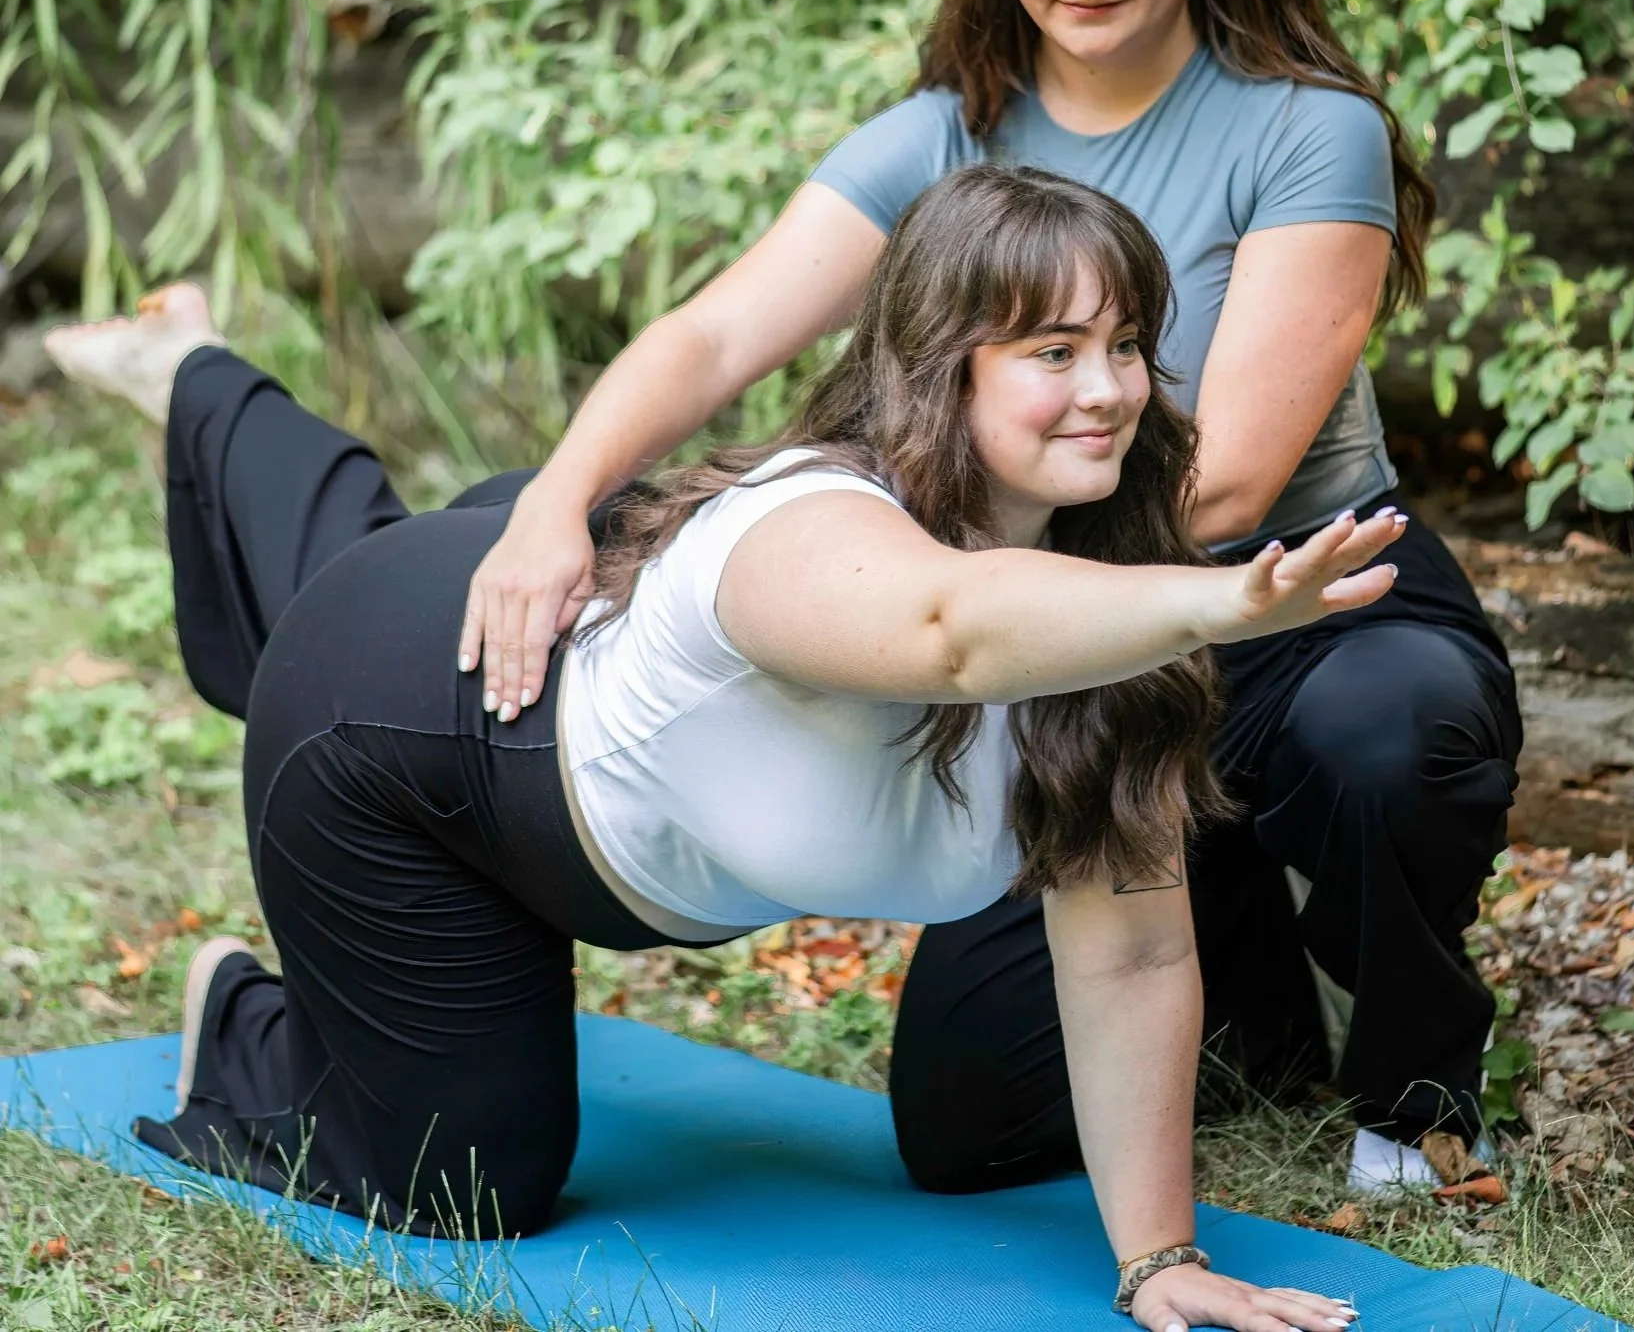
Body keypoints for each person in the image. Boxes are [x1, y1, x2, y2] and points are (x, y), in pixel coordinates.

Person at [44, 165, 1390, 1332]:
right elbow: (947, 630)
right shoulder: (814, 524)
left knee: (357, 549)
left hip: (569, 690)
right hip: (405, 749)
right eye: (1051, 351)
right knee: (466, 1183)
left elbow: (1133, 948)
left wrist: (1158, 1257)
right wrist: (1222, 599)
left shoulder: (1101, 618)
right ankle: (246, 1016)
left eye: (1125, 344)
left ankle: (187, 369)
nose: (1106, 390)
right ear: (941, 365)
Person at [457, 0, 1522, 1190]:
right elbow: (712, 340)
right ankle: (1249, 993)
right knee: (968, 1130)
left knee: (1381, 732)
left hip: (1292, 603)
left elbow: (1221, 481)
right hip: (1062, 640)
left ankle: (1414, 1079)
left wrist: (938, 602)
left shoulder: (1304, 130)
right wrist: (551, 500)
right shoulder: (937, 137)